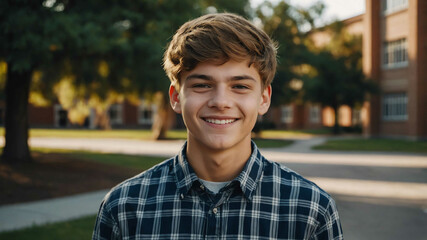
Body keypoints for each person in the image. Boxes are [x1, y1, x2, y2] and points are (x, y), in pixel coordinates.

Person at [93, 13, 343, 239]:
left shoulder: (311, 210)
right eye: (202, 85)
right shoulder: (123, 208)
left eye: (240, 86)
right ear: (176, 97)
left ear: (264, 98)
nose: (221, 102)